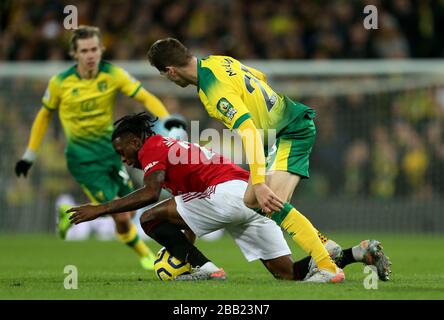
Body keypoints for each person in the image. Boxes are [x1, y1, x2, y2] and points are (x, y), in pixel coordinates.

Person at [146, 38, 392, 282]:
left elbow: (250, 132)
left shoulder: (214, 91)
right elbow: (258, 76)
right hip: (280, 130)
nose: (170, 80)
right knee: (252, 200)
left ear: (170, 70)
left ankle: (327, 264)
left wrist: (261, 180)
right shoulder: (217, 61)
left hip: (289, 132)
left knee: (268, 201)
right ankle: (329, 247)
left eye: (165, 75)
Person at [68, 113, 390, 282]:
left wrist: (100, 209)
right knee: (287, 273)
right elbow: (187, 212)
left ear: (135, 140)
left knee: (148, 218)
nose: (120, 157)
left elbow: (151, 194)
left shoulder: (153, 147)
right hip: (248, 194)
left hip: (225, 194)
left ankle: (208, 271)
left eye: (120, 148)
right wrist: (186, 253)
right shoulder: (169, 150)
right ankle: (358, 254)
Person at [14, 26, 187, 271]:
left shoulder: (112, 74)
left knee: (126, 210)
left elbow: (145, 97)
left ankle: (67, 213)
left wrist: (166, 119)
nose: (90, 55)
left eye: (94, 49)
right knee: (119, 213)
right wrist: (29, 155)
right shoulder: (60, 83)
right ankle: (145, 256)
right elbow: (43, 116)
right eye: (84, 50)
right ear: (75, 54)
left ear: (101, 49)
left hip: (112, 153)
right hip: (83, 159)